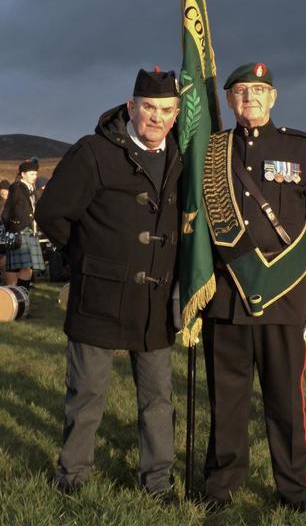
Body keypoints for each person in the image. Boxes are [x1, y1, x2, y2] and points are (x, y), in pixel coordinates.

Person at [200, 62, 306, 514]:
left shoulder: (303, 149)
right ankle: (221, 488)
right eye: (241, 91)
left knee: (286, 401)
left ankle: (294, 492)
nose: (250, 99)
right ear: (228, 100)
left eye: (259, 91)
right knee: (227, 401)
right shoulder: (210, 151)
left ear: (273, 98)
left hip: (284, 298)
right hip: (226, 298)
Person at [35, 68, 182, 498]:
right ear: (132, 107)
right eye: (150, 108)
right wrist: (87, 260)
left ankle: (158, 482)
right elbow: (52, 215)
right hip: (98, 294)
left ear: (176, 115)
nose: (157, 118)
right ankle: (74, 477)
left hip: (154, 299)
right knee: (87, 394)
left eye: (167, 110)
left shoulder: (178, 157)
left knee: (158, 398)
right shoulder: (94, 152)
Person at [2, 159, 45, 291]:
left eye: (35, 173)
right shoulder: (17, 187)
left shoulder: (32, 189)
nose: (35, 176)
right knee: (15, 269)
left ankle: (23, 299)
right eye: (32, 173)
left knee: (27, 268)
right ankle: (15, 300)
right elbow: (8, 211)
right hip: (19, 231)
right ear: (23, 174)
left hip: (29, 230)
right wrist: (14, 228)